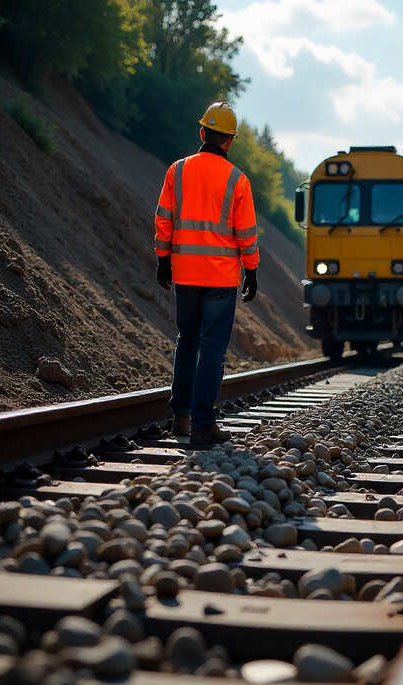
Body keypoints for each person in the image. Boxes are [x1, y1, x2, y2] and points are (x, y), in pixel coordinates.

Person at [154, 101, 259, 445]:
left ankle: (181, 417)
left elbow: (164, 218)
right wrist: (252, 271)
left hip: (185, 273)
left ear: (202, 133)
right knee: (212, 349)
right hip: (220, 279)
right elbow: (245, 234)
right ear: (229, 141)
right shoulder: (238, 181)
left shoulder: (177, 171)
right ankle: (203, 424)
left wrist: (163, 258)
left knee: (187, 342)